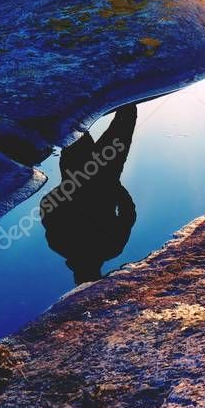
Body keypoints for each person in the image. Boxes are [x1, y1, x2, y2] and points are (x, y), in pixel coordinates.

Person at [41, 104, 138, 284]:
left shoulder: (111, 248)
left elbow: (128, 214)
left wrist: (115, 187)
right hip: (88, 173)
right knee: (77, 120)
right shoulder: (60, 246)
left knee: (122, 117)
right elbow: (47, 208)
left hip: (100, 172)